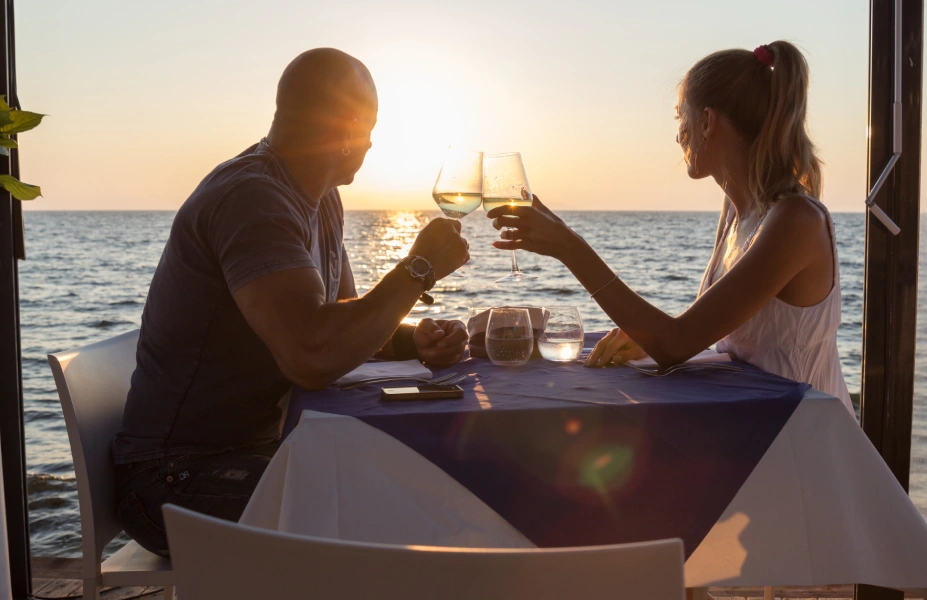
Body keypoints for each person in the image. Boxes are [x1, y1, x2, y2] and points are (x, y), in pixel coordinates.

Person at [112, 48, 471, 556]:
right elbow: (313, 356)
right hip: (175, 480)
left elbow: (341, 324)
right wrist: (419, 269)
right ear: (347, 129)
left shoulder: (318, 197)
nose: (371, 143)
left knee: (428, 487)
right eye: (370, 127)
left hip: (258, 452)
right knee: (407, 517)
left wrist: (419, 339)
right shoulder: (253, 199)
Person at [487, 41, 852, 413]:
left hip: (805, 434)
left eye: (682, 117)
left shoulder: (795, 221)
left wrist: (570, 248)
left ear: (707, 122)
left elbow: (676, 343)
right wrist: (649, 339)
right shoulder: (737, 212)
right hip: (751, 422)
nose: (679, 134)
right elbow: (701, 339)